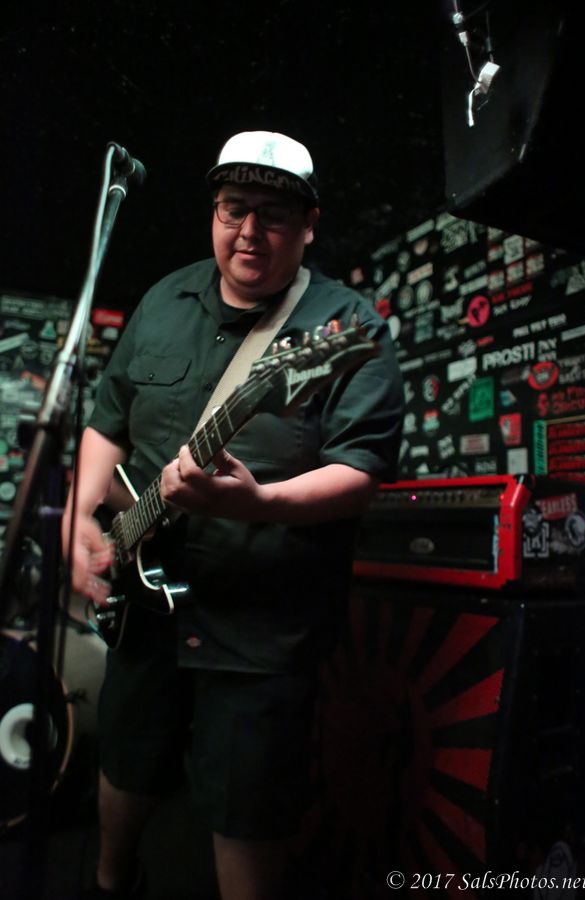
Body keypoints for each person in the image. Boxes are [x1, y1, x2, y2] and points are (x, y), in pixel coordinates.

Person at [62, 130, 404, 900]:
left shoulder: (344, 326)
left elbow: (361, 472)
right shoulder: (163, 300)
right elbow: (106, 422)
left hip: (263, 627)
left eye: (273, 214)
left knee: (250, 812)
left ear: (310, 224)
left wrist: (258, 503)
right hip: (144, 609)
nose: (249, 231)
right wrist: (82, 516)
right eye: (233, 208)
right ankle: (112, 882)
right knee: (126, 761)